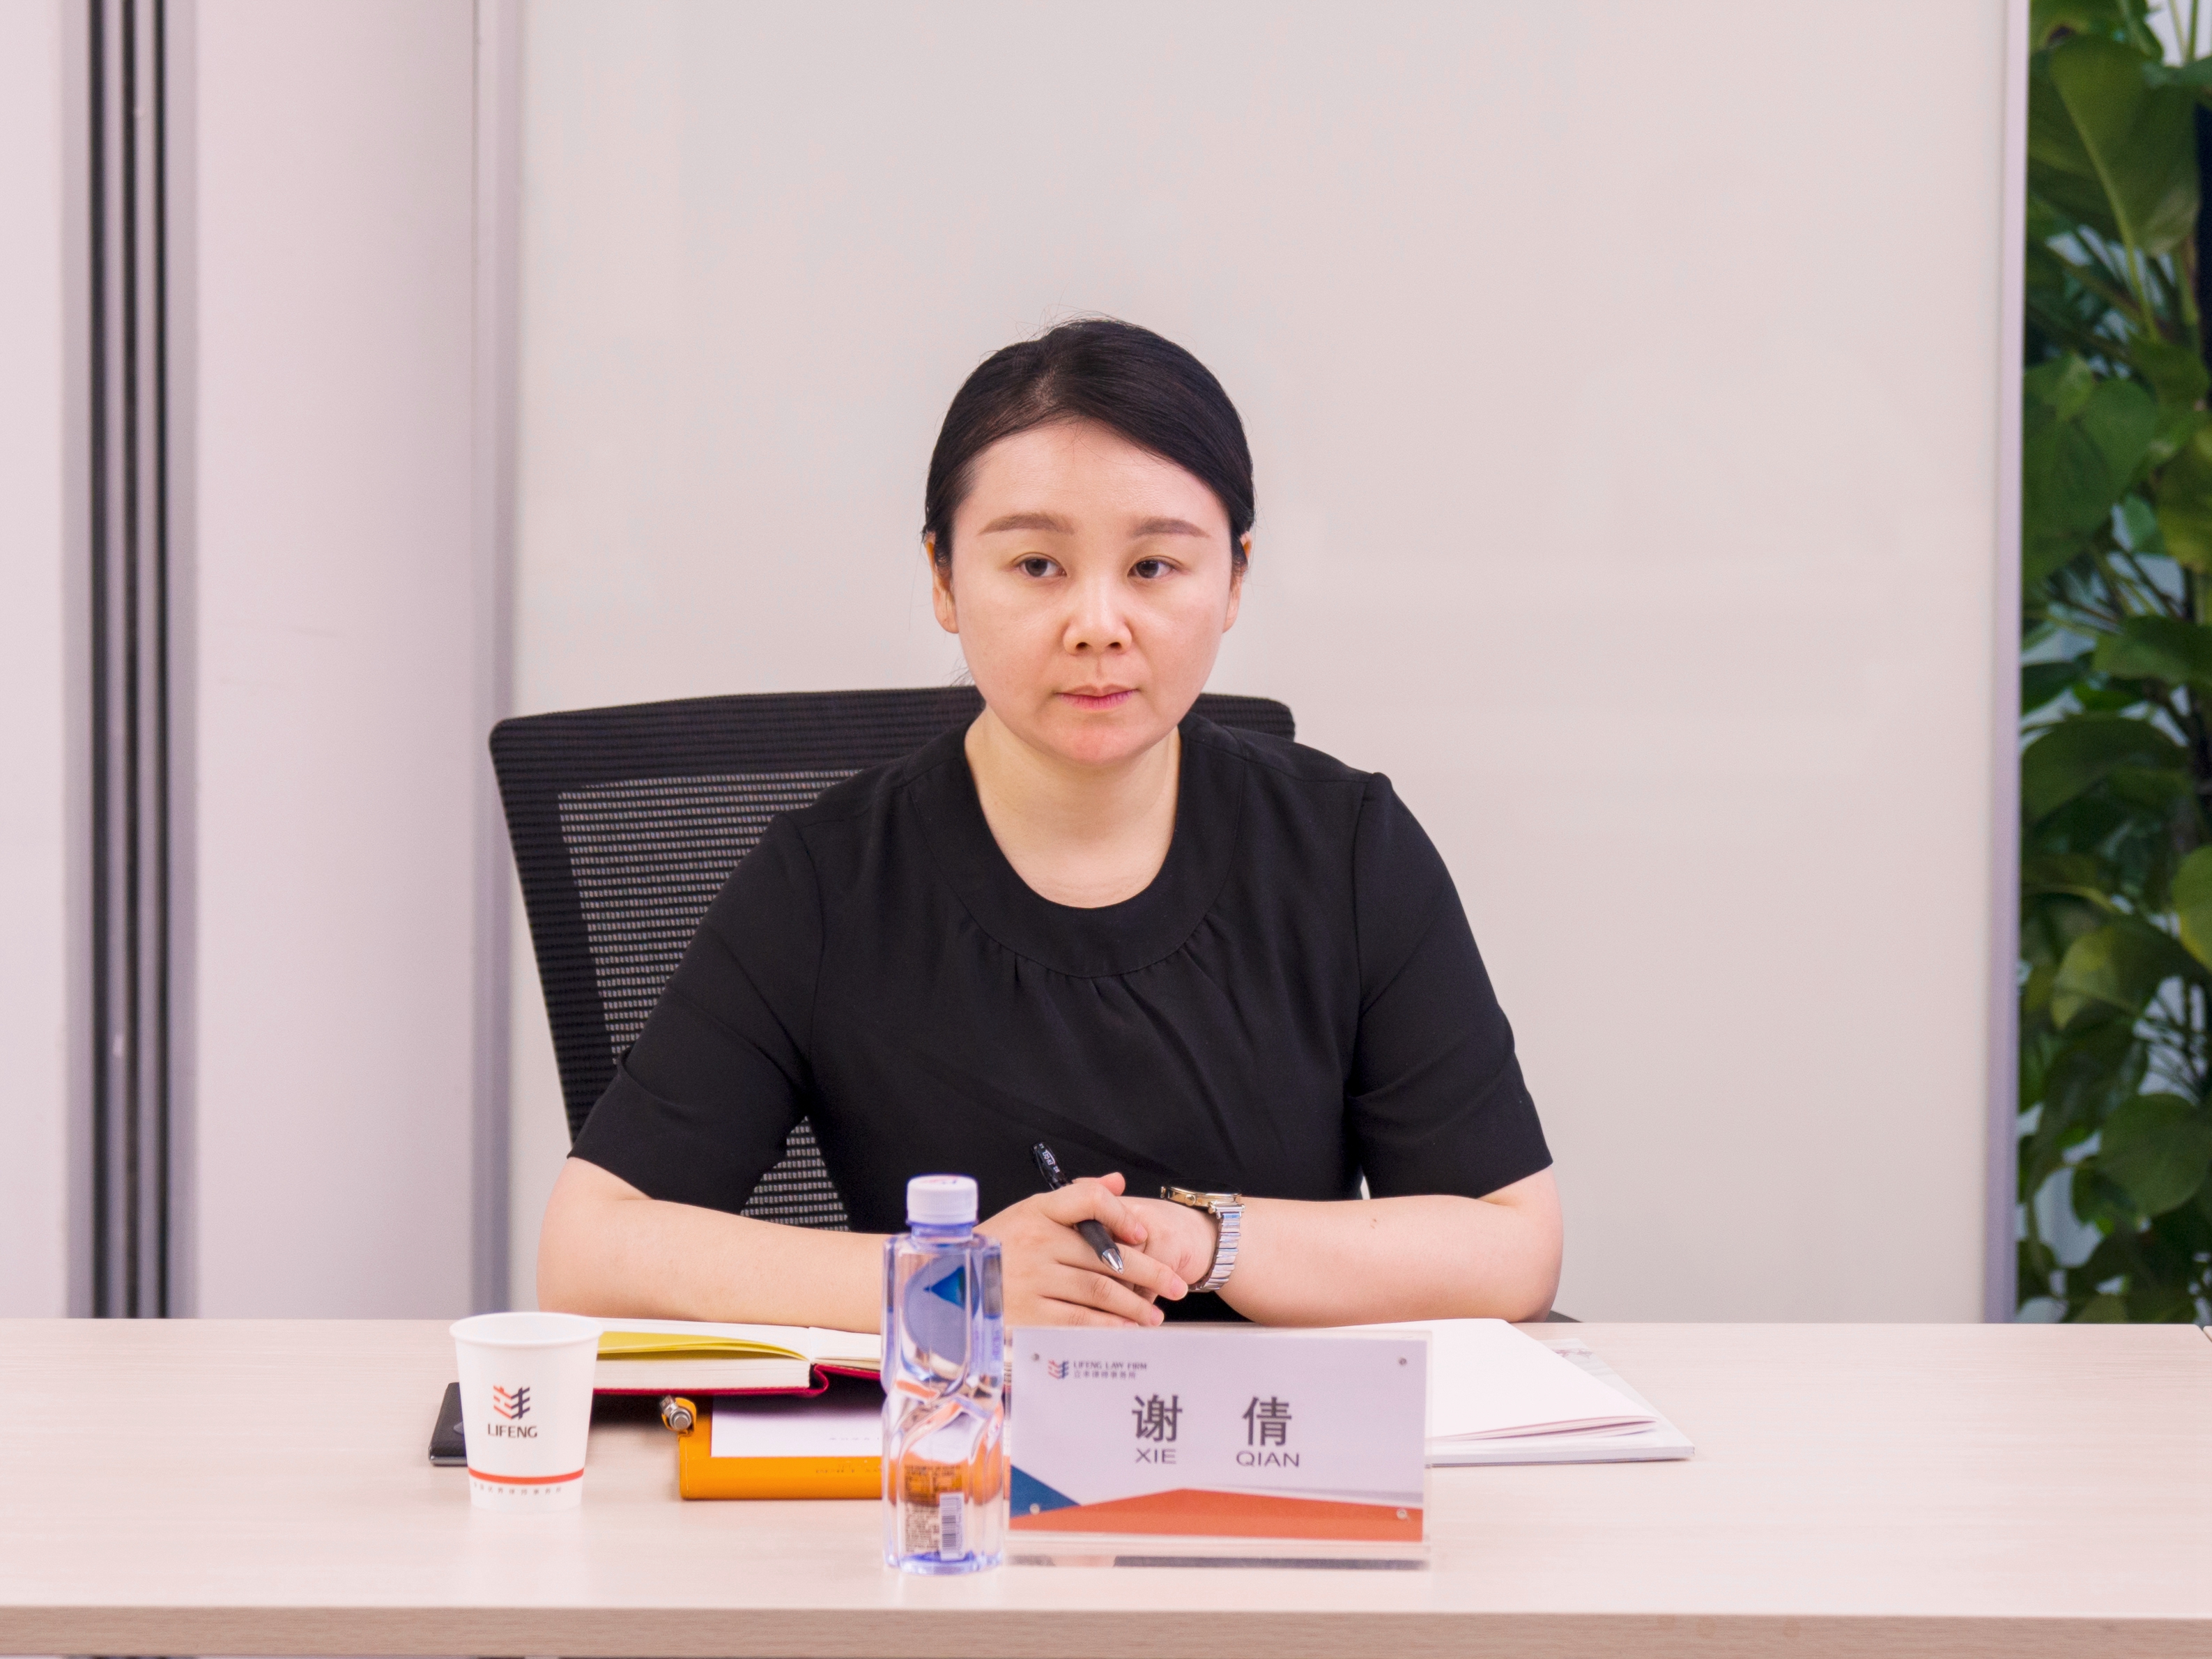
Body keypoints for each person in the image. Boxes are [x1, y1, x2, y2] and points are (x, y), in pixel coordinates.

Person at [537, 319, 1560, 1331]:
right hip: (960, 1432)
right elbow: (587, 1249)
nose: (1098, 625)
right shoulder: (825, 883)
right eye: (1037, 565)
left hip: (1272, 1437)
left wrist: (1211, 1240)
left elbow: (1512, 1244)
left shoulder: (1347, 848)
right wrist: (951, 1282)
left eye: (1154, 567)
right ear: (943, 578)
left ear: (1235, 580)